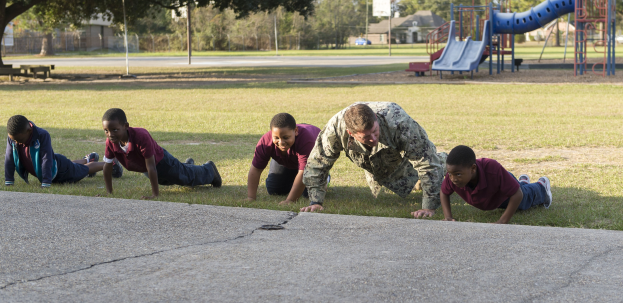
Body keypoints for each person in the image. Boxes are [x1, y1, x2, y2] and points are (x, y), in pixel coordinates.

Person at [301, 102, 447, 216]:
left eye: (375, 132)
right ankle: (414, 180)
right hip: (369, 160)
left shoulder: (399, 122)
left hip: (394, 148)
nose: (372, 138)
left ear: (376, 119)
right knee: (392, 179)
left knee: (429, 166)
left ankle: (446, 160)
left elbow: (426, 162)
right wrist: (315, 201)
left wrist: (429, 206)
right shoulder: (335, 129)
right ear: (350, 133)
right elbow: (317, 164)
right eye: (365, 137)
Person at [101, 108, 221, 199]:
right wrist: (108, 192)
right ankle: (185, 166)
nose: (110, 134)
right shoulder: (111, 142)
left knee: (186, 179)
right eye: (106, 131)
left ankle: (210, 170)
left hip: (162, 162)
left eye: (114, 130)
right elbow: (107, 166)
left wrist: (155, 195)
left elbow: (152, 167)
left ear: (126, 126)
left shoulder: (141, 136)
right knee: (167, 180)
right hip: (147, 169)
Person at [440, 145, 552, 224]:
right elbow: (444, 192)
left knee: (524, 201)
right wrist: (448, 217)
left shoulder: (492, 169)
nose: (453, 179)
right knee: (520, 188)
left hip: (501, 191)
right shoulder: (453, 176)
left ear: (473, 168)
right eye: (449, 174)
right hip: (492, 197)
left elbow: (517, 195)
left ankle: (542, 187)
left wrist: (502, 221)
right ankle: (522, 183)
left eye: (458, 174)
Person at [4, 115, 122, 187]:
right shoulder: (14, 138)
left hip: (59, 171)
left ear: (29, 131)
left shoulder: (42, 135)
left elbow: (46, 159)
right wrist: (9, 181)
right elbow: (9, 159)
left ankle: (111, 164)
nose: (17, 143)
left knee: (84, 170)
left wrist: (46, 182)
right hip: (56, 162)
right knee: (71, 165)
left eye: (19, 140)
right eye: (14, 140)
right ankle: (87, 159)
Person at [247, 113, 321, 205]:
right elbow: (256, 169)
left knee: (308, 193)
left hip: (313, 161)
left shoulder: (306, 140)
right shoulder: (265, 142)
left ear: (296, 131)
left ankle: (325, 177)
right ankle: (293, 176)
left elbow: (304, 172)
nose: (281, 142)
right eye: (276, 138)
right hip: (288, 160)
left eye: (286, 137)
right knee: (275, 189)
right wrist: (251, 197)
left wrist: (290, 200)